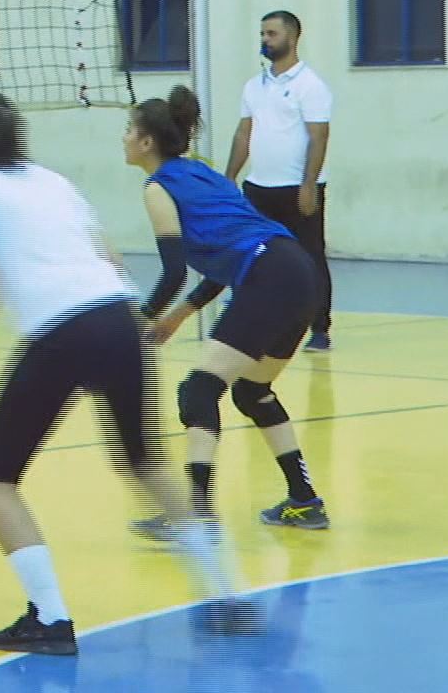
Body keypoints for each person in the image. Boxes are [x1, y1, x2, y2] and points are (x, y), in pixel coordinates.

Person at [0, 88, 257, 656]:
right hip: (119, 320)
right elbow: (112, 259)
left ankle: (51, 619)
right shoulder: (50, 180)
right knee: (146, 463)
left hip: (62, 331)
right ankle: (226, 590)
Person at [130, 86, 330, 533]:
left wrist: (137, 324)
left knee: (198, 391)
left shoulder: (158, 187)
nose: (123, 138)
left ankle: (194, 513)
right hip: (298, 272)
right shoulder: (205, 174)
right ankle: (304, 500)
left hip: (269, 276)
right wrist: (178, 317)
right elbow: (231, 259)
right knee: (252, 392)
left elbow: (173, 273)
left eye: (129, 130)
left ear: (146, 142)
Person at [223, 10, 334, 351]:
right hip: (258, 188)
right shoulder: (253, 86)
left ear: (292, 37)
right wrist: (230, 177)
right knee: (253, 254)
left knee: (310, 257)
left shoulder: (310, 86)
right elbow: (244, 134)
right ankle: (254, 319)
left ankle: (320, 328)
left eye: (272, 34)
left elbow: (319, 137)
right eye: (262, 34)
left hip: (296, 189)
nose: (265, 40)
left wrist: (308, 185)